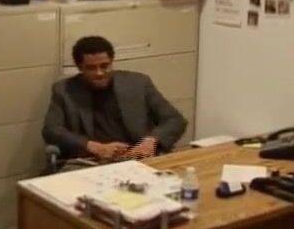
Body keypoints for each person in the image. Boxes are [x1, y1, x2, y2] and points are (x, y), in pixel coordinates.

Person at [42, 36, 187, 163]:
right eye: (91, 68)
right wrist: (92, 146)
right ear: (80, 68)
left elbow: (174, 120)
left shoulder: (138, 83)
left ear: (112, 62)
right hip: (92, 161)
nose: (99, 73)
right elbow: (51, 130)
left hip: (138, 157)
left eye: (104, 66)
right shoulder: (64, 90)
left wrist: (151, 142)